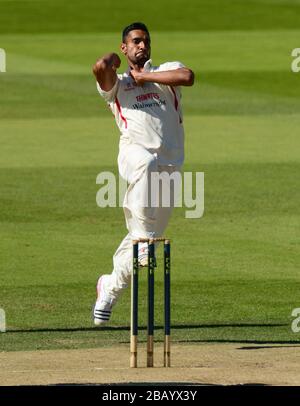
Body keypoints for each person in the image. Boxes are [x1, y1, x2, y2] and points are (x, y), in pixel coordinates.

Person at [92, 22, 194, 325]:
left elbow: (188, 76)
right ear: (125, 47)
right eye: (135, 41)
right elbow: (100, 67)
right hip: (135, 156)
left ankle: (108, 287)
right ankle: (144, 240)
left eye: (146, 41)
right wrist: (114, 59)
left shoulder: (166, 73)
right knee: (146, 170)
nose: (142, 46)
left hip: (171, 163)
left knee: (146, 240)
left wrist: (145, 76)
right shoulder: (118, 84)